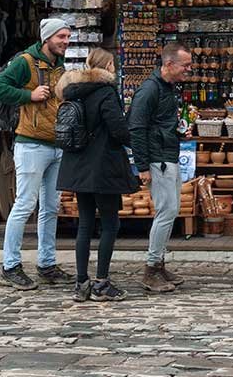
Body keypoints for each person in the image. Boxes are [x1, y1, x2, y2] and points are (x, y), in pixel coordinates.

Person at [0, 18, 73, 291]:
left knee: (50, 207)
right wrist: (29, 95)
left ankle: (46, 263)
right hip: (32, 144)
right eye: (61, 36)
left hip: (57, 144)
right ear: (47, 38)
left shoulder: (59, 65)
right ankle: (10, 264)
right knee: (25, 204)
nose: (66, 41)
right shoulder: (25, 62)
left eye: (68, 37)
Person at [55, 48, 137, 303]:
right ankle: (102, 282)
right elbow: (118, 129)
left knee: (85, 224)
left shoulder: (73, 92)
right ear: (107, 66)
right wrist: (133, 139)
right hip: (103, 166)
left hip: (78, 165)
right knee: (110, 224)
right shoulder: (105, 92)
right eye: (113, 64)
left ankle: (82, 283)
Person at [127, 41, 191, 293]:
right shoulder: (149, 90)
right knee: (166, 212)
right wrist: (142, 165)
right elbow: (136, 128)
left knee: (171, 210)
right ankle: (151, 268)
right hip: (158, 159)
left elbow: (158, 124)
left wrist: (176, 131)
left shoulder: (166, 88)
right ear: (169, 64)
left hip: (167, 154)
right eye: (185, 65)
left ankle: (159, 264)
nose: (188, 70)